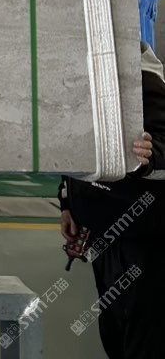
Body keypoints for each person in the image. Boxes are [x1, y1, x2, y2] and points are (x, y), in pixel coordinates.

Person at [58, 42, 165, 358]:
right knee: (114, 331)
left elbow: (160, 143)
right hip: (103, 235)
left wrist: (152, 156)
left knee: (143, 339)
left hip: (141, 239)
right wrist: (68, 202)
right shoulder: (80, 75)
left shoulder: (143, 78)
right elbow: (71, 147)